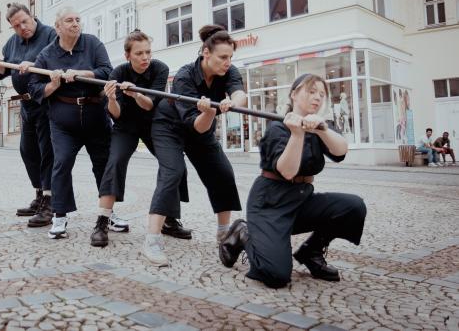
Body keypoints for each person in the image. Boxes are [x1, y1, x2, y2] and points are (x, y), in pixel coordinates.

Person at [219, 74, 367, 289]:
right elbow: (287, 172)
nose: (317, 98)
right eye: (311, 91)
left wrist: (322, 129)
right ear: (294, 94)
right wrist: (297, 134)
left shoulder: (319, 126)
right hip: (270, 205)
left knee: (353, 207)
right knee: (276, 275)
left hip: (300, 201)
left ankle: (311, 252)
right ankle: (244, 233)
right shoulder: (277, 128)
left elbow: (341, 150)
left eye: (322, 94)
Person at [143, 24, 247, 266]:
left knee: (222, 172)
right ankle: (152, 240)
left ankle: (223, 234)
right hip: (169, 126)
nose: (227, 62)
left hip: (200, 129)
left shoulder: (228, 70)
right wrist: (210, 111)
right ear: (206, 53)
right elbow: (197, 125)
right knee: (173, 173)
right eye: (223, 57)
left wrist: (233, 102)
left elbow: (240, 93)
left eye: (230, 57)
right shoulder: (184, 75)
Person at [91, 30, 192, 248]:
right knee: (115, 161)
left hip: (154, 123)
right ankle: (102, 222)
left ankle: (170, 220)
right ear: (128, 56)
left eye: (148, 52)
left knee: (174, 163)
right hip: (125, 125)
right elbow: (115, 113)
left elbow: (150, 104)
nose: (145, 57)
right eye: (139, 53)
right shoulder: (118, 72)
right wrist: (110, 97)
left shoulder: (160, 68)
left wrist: (135, 93)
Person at [28, 7, 112, 239]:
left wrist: (83, 72)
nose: (75, 24)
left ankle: (107, 214)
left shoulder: (92, 43)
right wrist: (53, 85)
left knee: (103, 166)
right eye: (69, 20)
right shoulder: (46, 55)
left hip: (96, 116)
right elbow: (34, 88)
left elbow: (107, 71)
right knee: (61, 164)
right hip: (64, 120)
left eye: (77, 20)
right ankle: (60, 216)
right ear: (58, 27)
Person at [0, 3, 57, 227]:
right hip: (26, 104)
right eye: (16, 26)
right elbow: (4, 70)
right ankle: (39, 195)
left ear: (32, 16)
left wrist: (35, 62)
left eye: (24, 21)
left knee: (46, 150)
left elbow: (58, 61)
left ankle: (50, 202)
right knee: (28, 150)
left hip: (47, 102)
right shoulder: (12, 43)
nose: (22, 28)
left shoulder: (50, 34)